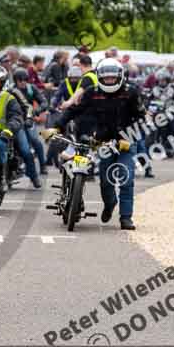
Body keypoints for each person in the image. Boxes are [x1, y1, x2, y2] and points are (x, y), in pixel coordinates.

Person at [42, 59, 145, 230]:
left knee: (126, 179)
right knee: (106, 181)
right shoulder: (92, 92)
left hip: (126, 141)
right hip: (103, 142)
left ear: (119, 77)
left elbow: (141, 117)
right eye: (106, 78)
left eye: (113, 78)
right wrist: (57, 126)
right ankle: (110, 204)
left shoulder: (131, 92)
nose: (110, 81)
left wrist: (129, 136)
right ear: (100, 77)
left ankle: (126, 218)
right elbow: (74, 110)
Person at [11, 68, 48, 180]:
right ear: (15, 81)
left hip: (29, 119)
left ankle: (43, 165)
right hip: (15, 121)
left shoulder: (31, 89)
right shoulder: (11, 91)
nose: (23, 82)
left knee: (35, 140)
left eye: (25, 79)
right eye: (20, 80)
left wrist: (37, 111)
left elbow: (44, 102)